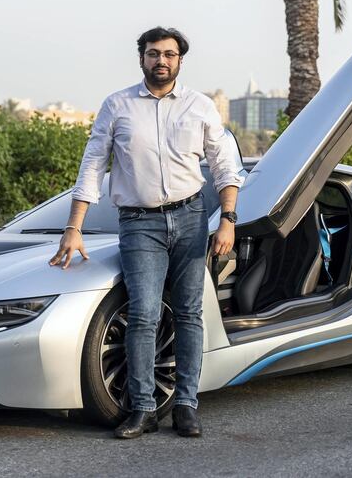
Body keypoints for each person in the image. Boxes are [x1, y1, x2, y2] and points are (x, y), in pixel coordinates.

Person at [49, 27, 243, 439]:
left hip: (191, 217)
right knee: (143, 315)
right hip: (139, 223)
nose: (161, 61)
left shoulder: (200, 106)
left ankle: (187, 405)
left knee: (190, 312)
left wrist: (227, 218)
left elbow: (226, 166)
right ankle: (143, 409)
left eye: (169, 54)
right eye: (154, 53)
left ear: (180, 61)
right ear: (141, 59)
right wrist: (74, 228)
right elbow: (92, 167)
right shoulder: (117, 106)